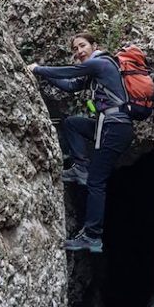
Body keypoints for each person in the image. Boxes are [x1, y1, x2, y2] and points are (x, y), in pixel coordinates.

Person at [29, 33, 133, 253]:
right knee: (73, 123)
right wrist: (44, 76)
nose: (79, 51)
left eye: (82, 46)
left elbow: (70, 71)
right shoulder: (94, 72)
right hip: (107, 126)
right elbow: (70, 85)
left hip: (115, 128)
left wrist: (38, 69)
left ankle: (92, 236)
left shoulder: (101, 63)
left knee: (97, 182)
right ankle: (80, 168)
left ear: (95, 45)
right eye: (75, 49)